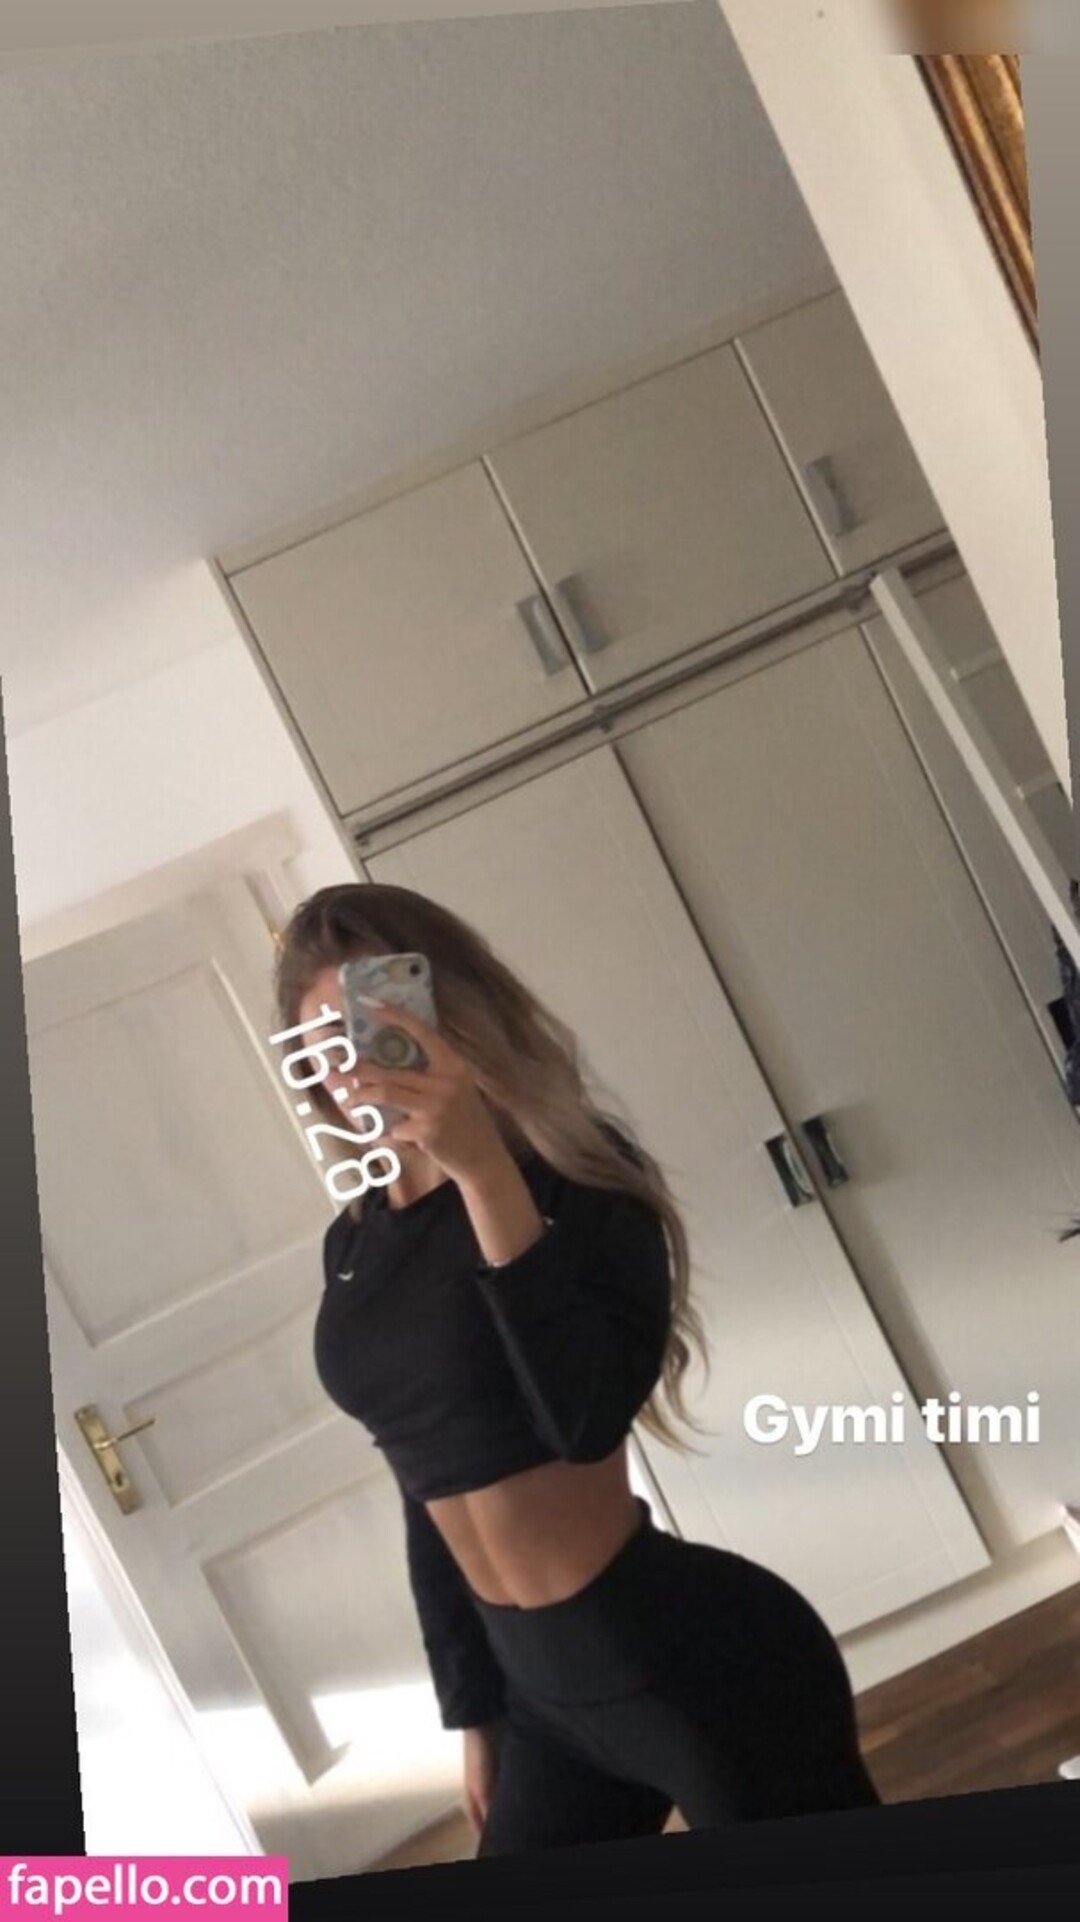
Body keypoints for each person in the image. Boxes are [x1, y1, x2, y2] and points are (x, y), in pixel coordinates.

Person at [275, 882, 882, 1856]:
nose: (352, 1067)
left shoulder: (576, 1175)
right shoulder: (355, 1244)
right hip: (540, 1697)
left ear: (448, 1007)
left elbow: (585, 1417)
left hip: (694, 1662)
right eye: (323, 1045)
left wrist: (483, 1170)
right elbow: (420, 1478)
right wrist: (476, 1714)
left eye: (373, 1022)